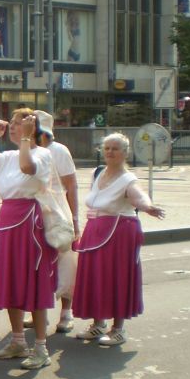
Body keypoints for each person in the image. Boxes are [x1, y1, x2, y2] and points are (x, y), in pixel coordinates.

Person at [0, 109, 56, 370]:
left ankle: (40, 347)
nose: (12, 126)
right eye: (12, 122)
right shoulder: (8, 156)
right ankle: (18, 340)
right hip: (8, 220)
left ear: (32, 127)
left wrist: (27, 138)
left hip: (29, 222)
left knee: (33, 282)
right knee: (11, 281)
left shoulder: (42, 154)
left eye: (19, 123)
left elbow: (27, 167)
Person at [72, 133, 164, 346]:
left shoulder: (128, 179)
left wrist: (148, 207)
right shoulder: (98, 173)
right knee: (95, 277)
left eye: (115, 148)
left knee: (116, 277)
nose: (110, 152)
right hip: (95, 231)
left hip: (118, 233)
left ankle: (118, 329)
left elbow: (138, 195)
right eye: (107, 148)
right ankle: (98, 324)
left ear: (125, 153)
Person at [36, 110, 79, 333]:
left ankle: (66, 312)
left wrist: (75, 219)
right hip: (37, 212)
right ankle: (39, 311)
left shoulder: (59, 151)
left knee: (65, 259)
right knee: (40, 263)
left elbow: (71, 185)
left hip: (58, 211)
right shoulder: (27, 150)